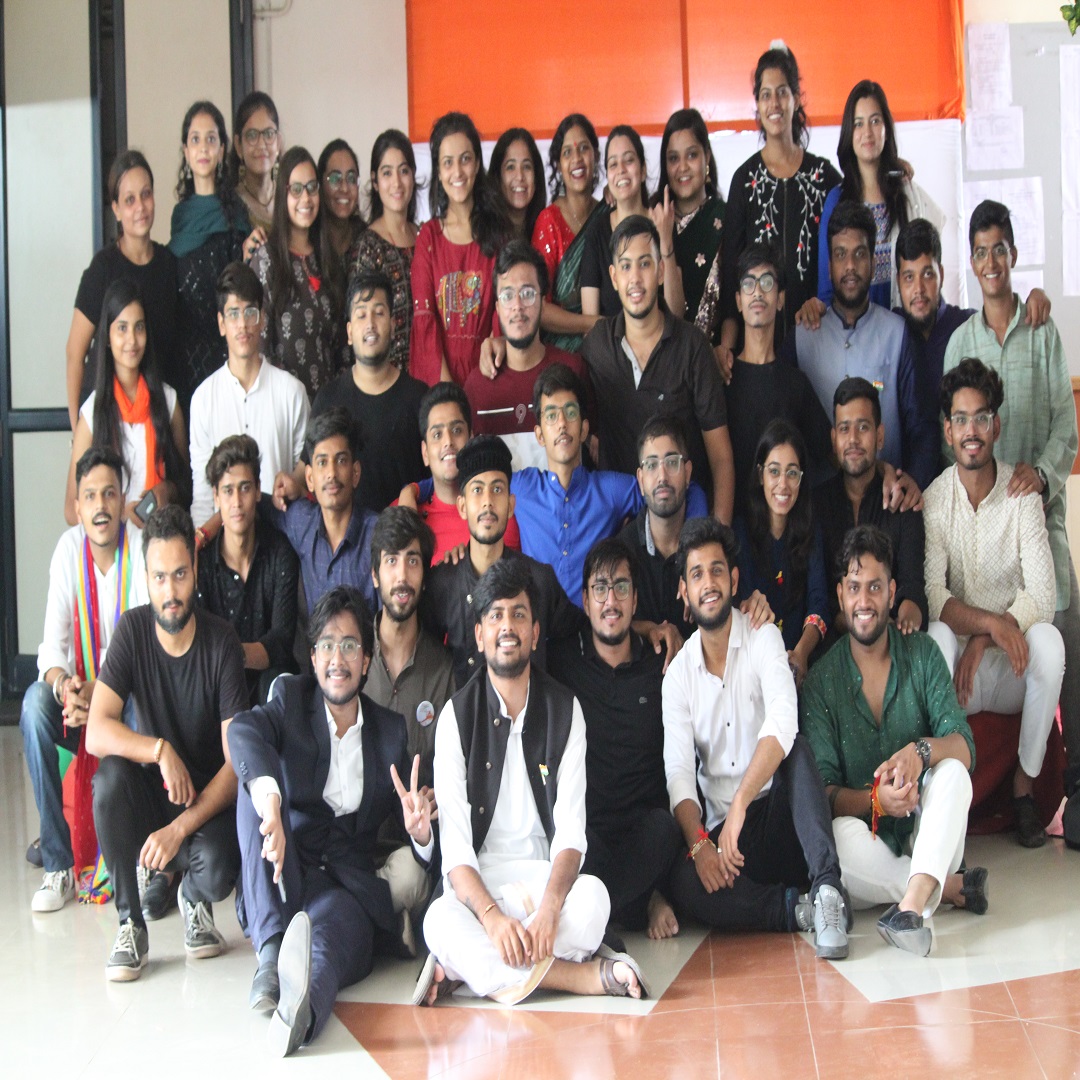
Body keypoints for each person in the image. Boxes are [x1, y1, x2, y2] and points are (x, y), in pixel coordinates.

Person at [418, 559, 648, 1006]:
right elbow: (457, 852)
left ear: (536, 632)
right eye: (496, 616)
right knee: (438, 921)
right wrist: (491, 920)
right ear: (479, 635)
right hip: (482, 891)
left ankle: (469, 974)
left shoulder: (565, 710)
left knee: (594, 900)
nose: (507, 626)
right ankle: (582, 977)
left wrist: (551, 908)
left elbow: (571, 834)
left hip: (544, 885)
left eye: (518, 614)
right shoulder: (455, 719)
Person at [227, 586, 434, 1055]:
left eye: (349, 646)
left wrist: (421, 835)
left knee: (328, 951)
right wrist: (272, 805)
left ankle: (299, 1017)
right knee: (252, 790)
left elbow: (414, 821)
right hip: (284, 867)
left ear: (366, 660)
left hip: (345, 887)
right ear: (313, 656)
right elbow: (243, 730)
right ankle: (271, 955)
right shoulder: (290, 700)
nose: (337, 659)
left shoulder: (389, 732)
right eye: (326, 645)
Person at [942, 200, 1080, 804]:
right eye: (980, 252)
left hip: (1038, 513)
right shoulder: (961, 340)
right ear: (971, 263)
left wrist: (1040, 478)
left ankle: (1072, 780)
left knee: (1065, 629)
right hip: (981, 524)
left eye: (1000, 248)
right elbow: (955, 441)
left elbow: (1065, 426)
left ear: (1014, 254)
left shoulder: (1042, 330)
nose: (991, 261)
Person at [663, 517, 849, 958]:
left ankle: (828, 891)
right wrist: (701, 844)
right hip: (729, 843)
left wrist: (742, 801)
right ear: (684, 592)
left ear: (734, 579)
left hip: (779, 815)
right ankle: (794, 911)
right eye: (696, 574)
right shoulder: (678, 677)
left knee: (796, 749)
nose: (708, 583)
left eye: (717, 570)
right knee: (685, 882)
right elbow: (678, 775)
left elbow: (783, 721)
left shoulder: (764, 636)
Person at [801, 525, 983, 957]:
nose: (864, 601)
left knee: (954, 774)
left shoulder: (922, 653)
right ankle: (936, 887)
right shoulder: (822, 681)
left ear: (892, 592)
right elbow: (824, 794)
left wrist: (921, 752)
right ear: (841, 595)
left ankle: (910, 906)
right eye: (854, 588)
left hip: (928, 832)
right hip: (867, 847)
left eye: (875, 587)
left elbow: (964, 745)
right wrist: (877, 802)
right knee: (834, 840)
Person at [86, 505, 247, 981]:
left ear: (194, 571)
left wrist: (180, 828)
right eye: (159, 578)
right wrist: (159, 750)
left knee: (217, 868)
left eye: (179, 575)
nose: (170, 592)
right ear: (146, 579)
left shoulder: (221, 642)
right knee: (109, 779)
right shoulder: (132, 631)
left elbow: (235, 763)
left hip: (205, 806)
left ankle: (193, 898)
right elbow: (96, 731)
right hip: (153, 794)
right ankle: (130, 924)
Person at [924, 358, 1065, 848]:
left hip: (1010, 667)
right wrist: (988, 626)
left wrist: (990, 636)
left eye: (981, 418)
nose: (972, 431)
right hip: (959, 674)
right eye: (961, 419)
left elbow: (1043, 594)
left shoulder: (1021, 494)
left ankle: (1024, 788)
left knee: (1050, 642)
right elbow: (935, 597)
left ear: (996, 426)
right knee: (935, 637)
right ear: (947, 430)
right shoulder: (935, 500)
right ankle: (939, 792)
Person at [21, 448, 146, 913]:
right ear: (77, 507)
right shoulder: (67, 550)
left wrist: (96, 695)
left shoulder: (141, 547)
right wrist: (65, 689)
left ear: (122, 500)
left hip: (126, 706)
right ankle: (58, 865)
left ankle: (141, 857)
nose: (100, 506)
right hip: (77, 704)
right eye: (89, 496)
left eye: (109, 494)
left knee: (146, 705)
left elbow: (142, 653)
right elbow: (50, 651)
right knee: (35, 705)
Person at [550, 539, 683, 939]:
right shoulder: (561, 661)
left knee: (665, 830)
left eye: (621, 587)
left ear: (636, 599)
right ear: (585, 601)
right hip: (587, 826)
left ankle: (600, 916)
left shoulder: (661, 664)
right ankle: (642, 902)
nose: (611, 600)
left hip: (643, 829)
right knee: (565, 839)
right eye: (600, 588)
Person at [511, 362, 706, 605]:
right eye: (551, 415)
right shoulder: (521, 488)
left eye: (570, 412)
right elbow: (478, 490)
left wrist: (694, 553)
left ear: (584, 429)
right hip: (539, 626)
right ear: (540, 435)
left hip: (599, 623)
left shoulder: (610, 490)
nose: (562, 423)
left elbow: (687, 488)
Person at [581, 215, 734, 521]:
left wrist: (719, 536)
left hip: (684, 520)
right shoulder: (597, 346)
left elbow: (720, 457)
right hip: (620, 527)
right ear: (613, 277)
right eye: (625, 266)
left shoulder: (692, 346)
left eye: (645, 264)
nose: (635, 278)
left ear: (661, 271)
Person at [781, 199, 937, 491]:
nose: (850, 266)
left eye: (859, 254)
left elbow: (922, 428)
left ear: (874, 263)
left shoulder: (899, 335)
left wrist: (913, 485)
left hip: (886, 499)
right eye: (841, 254)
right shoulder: (801, 338)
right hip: (817, 504)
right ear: (829, 267)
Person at [717, 41, 840, 370]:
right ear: (757, 104)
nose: (774, 103)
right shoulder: (745, 181)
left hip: (816, 344)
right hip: (757, 352)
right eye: (765, 94)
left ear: (796, 98)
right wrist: (726, 347)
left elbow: (848, 237)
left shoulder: (823, 177)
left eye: (782, 92)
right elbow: (731, 275)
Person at [421, 435, 582, 687]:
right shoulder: (442, 582)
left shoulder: (539, 580)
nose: (487, 501)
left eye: (497, 489)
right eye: (477, 490)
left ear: (510, 505)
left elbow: (580, 636)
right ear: (462, 506)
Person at [188, 261, 309, 528]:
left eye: (250, 312)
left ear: (262, 318)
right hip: (224, 541)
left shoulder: (291, 392)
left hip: (281, 537)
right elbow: (203, 495)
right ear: (221, 323)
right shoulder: (203, 399)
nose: (242, 324)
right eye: (233, 314)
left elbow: (303, 479)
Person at [66, 150, 179, 429]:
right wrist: (78, 431)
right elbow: (74, 354)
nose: (140, 206)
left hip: (154, 418)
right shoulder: (102, 268)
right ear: (116, 209)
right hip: (107, 418)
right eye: (129, 200)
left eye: (146, 194)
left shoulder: (169, 264)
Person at [65, 279, 188, 527]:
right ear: (107, 337)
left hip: (160, 541)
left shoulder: (168, 402)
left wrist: (166, 491)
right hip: (113, 544)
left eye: (138, 327)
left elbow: (188, 487)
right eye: (122, 328)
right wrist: (118, 514)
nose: (132, 340)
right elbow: (71, 510)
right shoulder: (92, 413)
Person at [814, 378, 928, 642]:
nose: (853, 439)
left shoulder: (902, 502)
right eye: (844, 429)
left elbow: (912, 586)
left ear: (880, 436)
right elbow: (818, 596)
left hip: (893, 641)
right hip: (832, 644)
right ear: (834, 439)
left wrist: (907, 619)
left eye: (863, 427)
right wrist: (856, 621)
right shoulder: (817, 505)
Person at [817, 81, 944, 311]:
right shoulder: (837, 201)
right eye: (858, 124)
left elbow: (929, 264)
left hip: (905, 324)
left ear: (886, 128)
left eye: (875, 121)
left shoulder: (906, 195)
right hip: (854, 326)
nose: (867, 132)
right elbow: (826, 290)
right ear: (849, 132)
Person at [723, 242, 832, 510]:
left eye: (767, 282)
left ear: (781, 299)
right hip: (732, 523)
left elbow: (828, 456)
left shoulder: (796, 384)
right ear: (738, 301)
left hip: (784, 524)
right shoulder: (721, 377)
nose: (758, 292)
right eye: (749, 284)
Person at [463, 241, 590, 470]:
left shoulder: (572, 369)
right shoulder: (476, 386)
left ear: (543, 302)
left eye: (528, 294)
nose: (518, 306)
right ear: (497, 308)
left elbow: (594, 451)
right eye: (507, 296)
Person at [311, 269, 427, 511]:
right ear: (349, 332)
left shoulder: (419, 399)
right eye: (361, 315)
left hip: (406, 532)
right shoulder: (328, 400)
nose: (371, 324)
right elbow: (310, 469)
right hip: (348, 534)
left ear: (393, 326)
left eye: (379, 313)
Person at [196, 435, 299, 707]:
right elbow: (201, 646)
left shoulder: (280, 552)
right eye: (228, 491)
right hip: (217, 686)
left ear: (257, 490)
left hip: (270, 687)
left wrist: (232, 653)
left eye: (244, 488)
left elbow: (281, 641)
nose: (237, 502)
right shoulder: (203, 564)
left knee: (279, 680)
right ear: (216, 497)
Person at [410, 112, 506, 386]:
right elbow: (425, 321)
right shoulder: (428, 238)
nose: (458, 172)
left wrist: (484, 380)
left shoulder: (498, 236)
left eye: (465, 159)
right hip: (439, 385)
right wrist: (448, 392)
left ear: (477, 164)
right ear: (439, 172)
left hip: (489, 379)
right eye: (448, 162)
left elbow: (502, 313)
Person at [367, 507, 455, 794]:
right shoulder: (352, 660)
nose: (402, 576)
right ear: (375, 575)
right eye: (391, 560)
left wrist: (438, 798)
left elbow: (453, 771)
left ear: (425, 577)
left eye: (413, 561)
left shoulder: (444, 670)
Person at [733, 421, 828, 685]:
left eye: (792, 473)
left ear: (801, 478)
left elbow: (819, 601)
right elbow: (744, 605)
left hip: (803, 663)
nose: (783, 484)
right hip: (754, 669)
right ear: (760, 475)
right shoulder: (740, 531)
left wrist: (801, 654)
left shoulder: (810, 529)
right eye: (774, 471)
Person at [170, 101, 252, 402]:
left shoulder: (236, 214)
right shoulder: (180, 217)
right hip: (186, 354)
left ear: (222, 149)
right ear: (185, 151)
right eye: (195, 139)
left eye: (211, 139)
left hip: (226, 352)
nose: (203, 147)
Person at [250, 145, 345, 400]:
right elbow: (259, 347)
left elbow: (342, 346)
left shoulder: (329, 260)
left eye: (312, 188)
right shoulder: (266, 260)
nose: (306, 198)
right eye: (296, 189)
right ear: (283, 195)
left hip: (329, 405)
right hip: (282, 404)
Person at [269, 406, 379, 614]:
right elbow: (248, 504)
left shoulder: (377, 535)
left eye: (341, 460)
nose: (331, 473)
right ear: (310, 478)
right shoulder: (302, 522)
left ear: (355, 473)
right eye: (322, 462)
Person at [398, 381, 522, 564]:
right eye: (437, 435)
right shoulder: (403, 515)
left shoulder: (502, 512)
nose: (448, 441)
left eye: (456, 430)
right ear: (425, 452)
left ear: (471, 440)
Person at [580, 125, 684, 319]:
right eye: (613, 164)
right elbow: (590, 322)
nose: (621, 170)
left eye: (628, 160)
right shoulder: (597, 231)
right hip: (611, 339)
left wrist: (666, 242)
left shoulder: (662, 223)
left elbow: (676, 313)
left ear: (643, 170)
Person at [531, 113, 605, 351]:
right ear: (558, 165)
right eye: (567, 153)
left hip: (608, 348)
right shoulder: (549, 221)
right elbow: (539, 308)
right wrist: (593, 323)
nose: (577, 159)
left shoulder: (607, 214)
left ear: (595, 155)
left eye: (584, 148)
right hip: (560, 352)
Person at [350, 129, 420, 372]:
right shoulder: (368, 246)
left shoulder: (425, 237)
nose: (397, 183)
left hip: (429, 373)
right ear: (375, 182)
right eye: (387, 173)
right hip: (386, 376)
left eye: (404, 171)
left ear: (413, 175)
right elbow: (362, 324)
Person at [656, 108, 725, 330]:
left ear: (707, 157)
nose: (682, 167)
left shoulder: (727, 218)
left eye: (692, 155)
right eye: (673, 158)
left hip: (717, 350)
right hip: (661, 349)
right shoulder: (653, 219)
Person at [229, 91, 283, 235]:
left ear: (278, 142)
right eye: (252, 135)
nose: (262, 144)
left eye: (269, 134)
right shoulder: (230, 205)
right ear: (238, 145)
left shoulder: (291, 198)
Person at [489, 127, 545, 241]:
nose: (520, 176)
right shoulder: (484, 236)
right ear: (497, 177)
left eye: (526, 167)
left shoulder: (546, 230)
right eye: (510, 167)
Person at [317, 138, 364, 262]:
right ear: (320, 184)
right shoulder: (310, 242)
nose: (344, 188)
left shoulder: (366, 240)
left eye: (351, 178)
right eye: (334, 178)